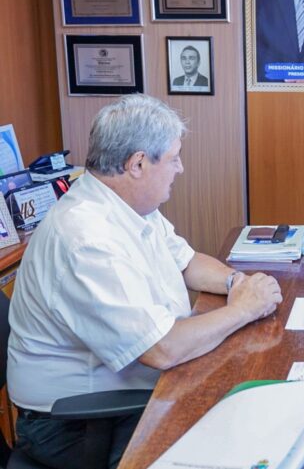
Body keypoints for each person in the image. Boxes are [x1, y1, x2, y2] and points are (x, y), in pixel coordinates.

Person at [7, 94, 283, 468]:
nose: (180, 168)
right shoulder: (85, 238)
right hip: (80, 423)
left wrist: (238, 283)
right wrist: (244, 309)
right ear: (137, 163)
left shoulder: (129, 207)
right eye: (173, 158)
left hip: (128, 392)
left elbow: (187, 262)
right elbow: (162, 350)